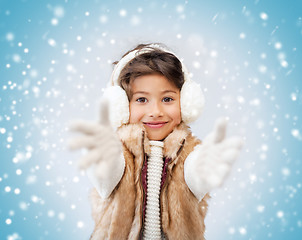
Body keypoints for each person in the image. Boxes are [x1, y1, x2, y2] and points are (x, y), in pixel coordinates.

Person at [69, 43, 243, 240]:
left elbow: (195, 174)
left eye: (167, 99)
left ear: (186, 102)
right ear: (122, 106)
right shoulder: (119, 152)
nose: (156, 112)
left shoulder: (188, 154)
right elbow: (106, 177)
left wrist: (205, 166)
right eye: (142, 100)